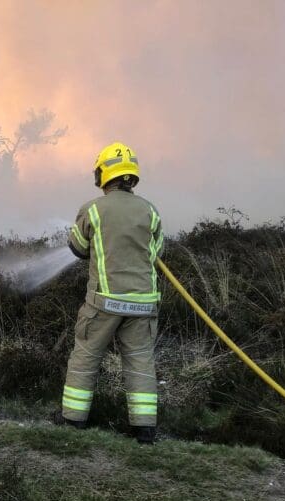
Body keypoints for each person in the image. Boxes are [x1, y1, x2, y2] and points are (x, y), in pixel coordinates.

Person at [60, 142, 164, 443]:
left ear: (104, 174)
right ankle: (144, 430)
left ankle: (73, 421)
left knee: (86, 356)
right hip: (144, 305)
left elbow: (78, 248)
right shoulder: (150, 211)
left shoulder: (93, 209)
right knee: (141, 361)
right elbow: (156, 251)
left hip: (104, 302)